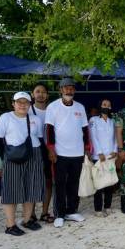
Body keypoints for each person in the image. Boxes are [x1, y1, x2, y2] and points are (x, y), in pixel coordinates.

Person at [0, 92, 45, 236]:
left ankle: (27, 220)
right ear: (13, 103)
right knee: (11, 190)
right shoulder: (6, 117)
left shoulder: (35, 119)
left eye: (26, 102)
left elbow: (40, 140)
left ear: (30, 104)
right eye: (19, 102)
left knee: (31, 187)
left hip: (34, 155)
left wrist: (42, 158)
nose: (22, 105)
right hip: (13, 156)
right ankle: (10, 225)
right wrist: (5, 158)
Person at [45, 78, 90, 228]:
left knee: (74, 183)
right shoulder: (52, 107)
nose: (69, 91)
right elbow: (49, 130)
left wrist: (87, 148)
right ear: (60, 90)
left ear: (74, 91)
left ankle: (71, 211)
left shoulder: (80, 107)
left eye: (71, 88)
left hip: (77, 153)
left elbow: (85, 130)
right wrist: (51, 149)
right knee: (59, 184)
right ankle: (59, 214)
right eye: (66, 88)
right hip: (60, 153)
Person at [29, 83, 54, 223]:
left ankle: (44, 212)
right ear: (33, 94)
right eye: (37, 91)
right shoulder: (27, 110)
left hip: (50, 150)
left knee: (48, 182)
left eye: (43, 92)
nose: (40, 94)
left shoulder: (53, 109)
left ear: (47, 95)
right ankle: (31, 213)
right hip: (33, 150)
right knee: (33, 182)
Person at [89, 99, 117, 217]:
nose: (106, 106)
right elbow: (93, 136)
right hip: (98, 157)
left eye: (108, 105)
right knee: (99, 184)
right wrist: (99, 152)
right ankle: (98, 209)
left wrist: (115, 150)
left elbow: (115, 137)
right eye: (104, 104)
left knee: (109, 183)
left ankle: (108, 206)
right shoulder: (93, 120)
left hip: (110, 156)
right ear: (100, 106)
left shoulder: (112, 121)